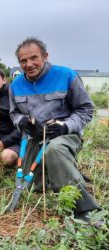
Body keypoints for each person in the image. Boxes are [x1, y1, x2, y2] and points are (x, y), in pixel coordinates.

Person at [9, 37, 101, 224]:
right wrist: (23, 122)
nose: (28, 64)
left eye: (34, 58)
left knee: (54, 150)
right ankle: (67, 170)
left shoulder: (67, 76)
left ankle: (86, 211)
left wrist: (65, 126)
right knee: (32, 187)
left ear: (45, 56)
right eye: (23, 61)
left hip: (64, 136)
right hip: (35, 137)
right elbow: (14, 113)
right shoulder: (16, 85)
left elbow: (86, 109)